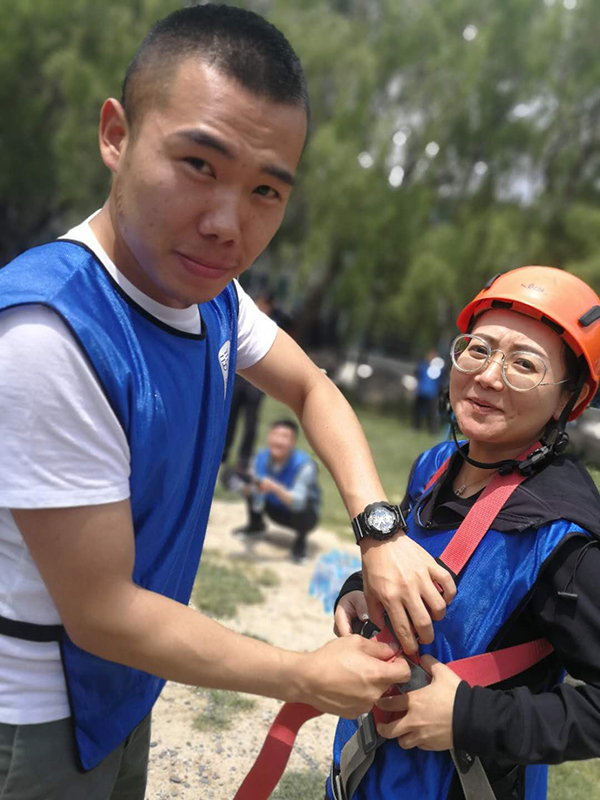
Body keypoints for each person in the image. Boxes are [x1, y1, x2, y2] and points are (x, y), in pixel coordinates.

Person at [0, 5, 452, 797]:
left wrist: (378, 529)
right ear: (116, 135)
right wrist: (301, 674)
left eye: (266, 190)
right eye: (199, 165)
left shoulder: (210, 297)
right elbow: (103, 611)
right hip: (37, 710)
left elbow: (311, 387)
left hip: (122, 685)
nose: (227, 225)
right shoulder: (49, 335)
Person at [329, 266, 600, 800]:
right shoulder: (436, 466)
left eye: (524, 364)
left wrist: (471, 716)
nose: (489, 376)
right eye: (478, 350)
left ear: (567, 400)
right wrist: (362, 589)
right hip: (366, 772)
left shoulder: (565, 537)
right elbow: (414, 557)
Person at [233, 418, 321, 563]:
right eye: (275, 435)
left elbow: (298, 503)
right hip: (273, 507)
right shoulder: (261, 457)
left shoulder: (305, 465)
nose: (278, 441)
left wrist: (274, 487)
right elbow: (254, 488)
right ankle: (256, 526)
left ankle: (300, 543)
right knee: (251, 483)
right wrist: (246, 488)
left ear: (293, 442)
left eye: (285, 437)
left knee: (305, 505)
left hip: (301, 514)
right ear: (269, 436)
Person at [413, 348, 445, 432]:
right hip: (421, 392)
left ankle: (432, 430)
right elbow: (416, 375)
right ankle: (416, 427)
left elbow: (441, 380)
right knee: (418, 411)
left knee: (431, 413)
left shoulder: (439, 368)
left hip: (432, 394)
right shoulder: (422, 366)